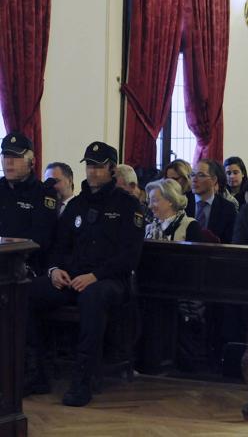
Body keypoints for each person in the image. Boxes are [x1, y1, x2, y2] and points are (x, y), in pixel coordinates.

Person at [25, 141, 144, 406]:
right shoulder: (77, 205)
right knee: (28, 293)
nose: (92, 172)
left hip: (109, 281)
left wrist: (96, 276)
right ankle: (36, 373)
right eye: (89, 165)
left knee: (93, 298)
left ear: (112, 169)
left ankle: (83, 381)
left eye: (98, 167)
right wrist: (55, 270)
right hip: (71, 278)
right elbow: (58, 245)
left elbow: (129, 256)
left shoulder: (127, 205)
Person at [0, 132, 57, 274]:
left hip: (24, 265)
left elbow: (41, 240)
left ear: (32, 162)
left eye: (16, 157)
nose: (9, 162)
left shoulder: (43, 194)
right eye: (6, 156)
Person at [186, 159, 238, 243]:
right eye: (192, 175)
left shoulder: (227, 208)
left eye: (201, 175)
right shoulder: (183, 203)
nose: (194, 179)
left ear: (214, 180)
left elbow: (229, 242)